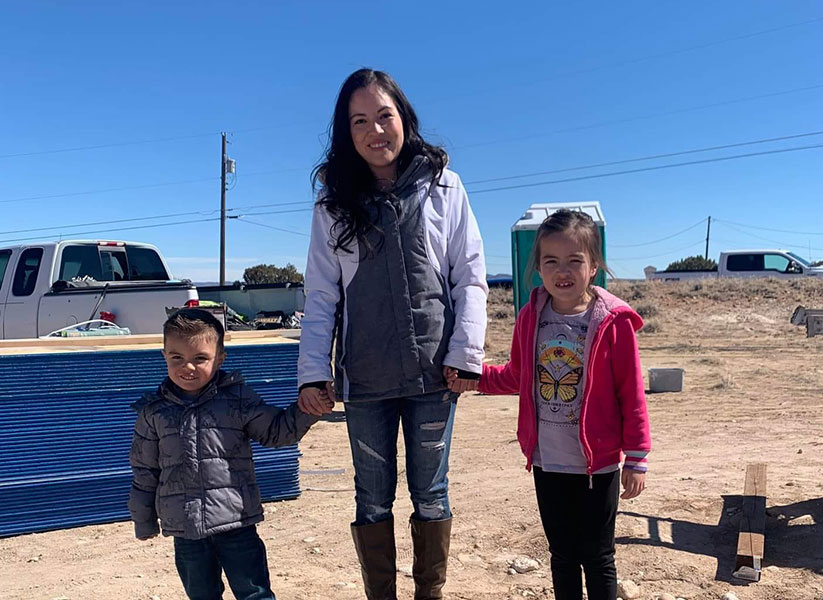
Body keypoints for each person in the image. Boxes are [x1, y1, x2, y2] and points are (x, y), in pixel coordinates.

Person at [297, 68, 487, 600]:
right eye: (360, 121)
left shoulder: (443, 187)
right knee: (372, 499)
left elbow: (468, 276)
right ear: (345, 133)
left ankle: (430, 594)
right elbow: (321, 297)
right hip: (366, 381)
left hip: (434, 376)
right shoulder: (333, 206)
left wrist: (466, 353)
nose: (375, 131)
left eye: (385, 116)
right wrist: (314, 373)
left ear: (404, 118)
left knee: (431, 493)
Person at [458, 209, 651, 599]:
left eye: (574, 261)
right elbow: (516, 376)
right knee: (561, 555)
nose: (563, 271)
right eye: (551, 262)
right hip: (547, 459)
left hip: (596, 464)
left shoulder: (612, 324)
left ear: (593, 266)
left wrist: (636, 457)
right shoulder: (531, 316)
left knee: (597, 556)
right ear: (539, 268)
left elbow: (631, 393)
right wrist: (474, 376)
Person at [129, 308, 326, 600]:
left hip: (237, 523)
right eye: (177, 358)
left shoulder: (237, 400)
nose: (188, 367)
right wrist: (143, 519)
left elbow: (277, 431)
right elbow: (145, 470)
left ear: (220, 357)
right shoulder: (153, 411)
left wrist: (307, 410)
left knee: (255, 594)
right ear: (164, 356)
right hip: (186, 531)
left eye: (200, 358)